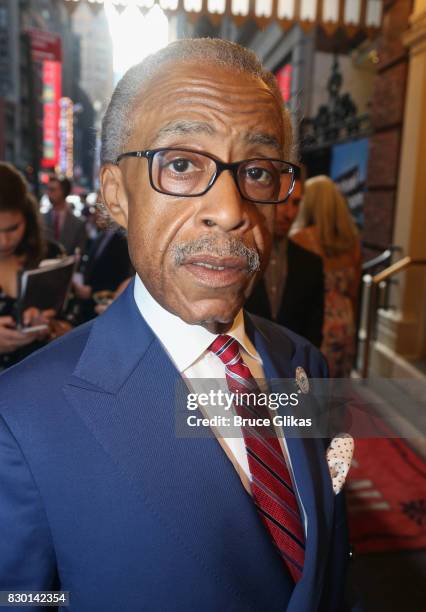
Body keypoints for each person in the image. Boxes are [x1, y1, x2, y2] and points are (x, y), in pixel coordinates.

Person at [0, 40, 351, 611]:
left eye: (258, 171)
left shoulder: (303, 363)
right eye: (183, 164)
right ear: (115, 195)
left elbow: (330, 553)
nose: (232, 210)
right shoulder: (20, 419)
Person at [290, 175, 362, 377]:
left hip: (315, 327)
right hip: (345, 325)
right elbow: (354, 292)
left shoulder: (301, 239)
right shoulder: (352, 243)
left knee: (311, 389)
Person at [246, 177, 324, 347]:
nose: (289, 213)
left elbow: (313, 334)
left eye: (296, 203)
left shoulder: (311, 264)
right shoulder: (238, 257)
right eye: (281, 201)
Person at [0, 163, 63, 370]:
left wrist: (50, 328)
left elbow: (78, 329)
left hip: (44, 384)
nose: (4, 241)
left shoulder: (51, 256)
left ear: (27, 217)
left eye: (12, 228)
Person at [42, 175, 88, 256]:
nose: (48, 193)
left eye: (52, 190)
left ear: (64, 191)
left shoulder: (79, 223)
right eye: (48, 189)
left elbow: (80, 254)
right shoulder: (40, 219)